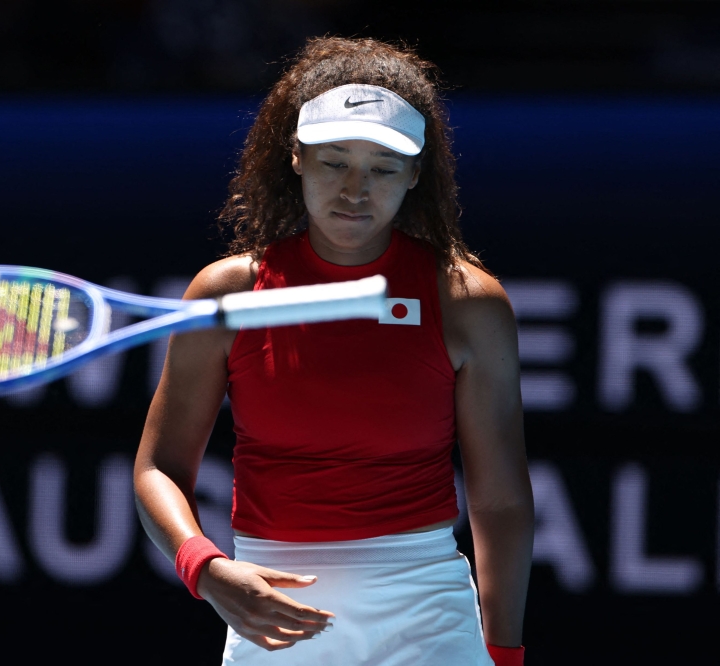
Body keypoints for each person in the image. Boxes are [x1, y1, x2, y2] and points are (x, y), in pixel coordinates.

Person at [134, 37, 533, 666]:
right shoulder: (226, 292)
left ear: (415, 174)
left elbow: (500, 499)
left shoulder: (467, 302)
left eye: (381, 167)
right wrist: (205, 570)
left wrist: (504, 652)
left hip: (428, 611)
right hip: (272, 612)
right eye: (334, 162)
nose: (355, 189)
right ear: (295, 158)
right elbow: (157, 469)